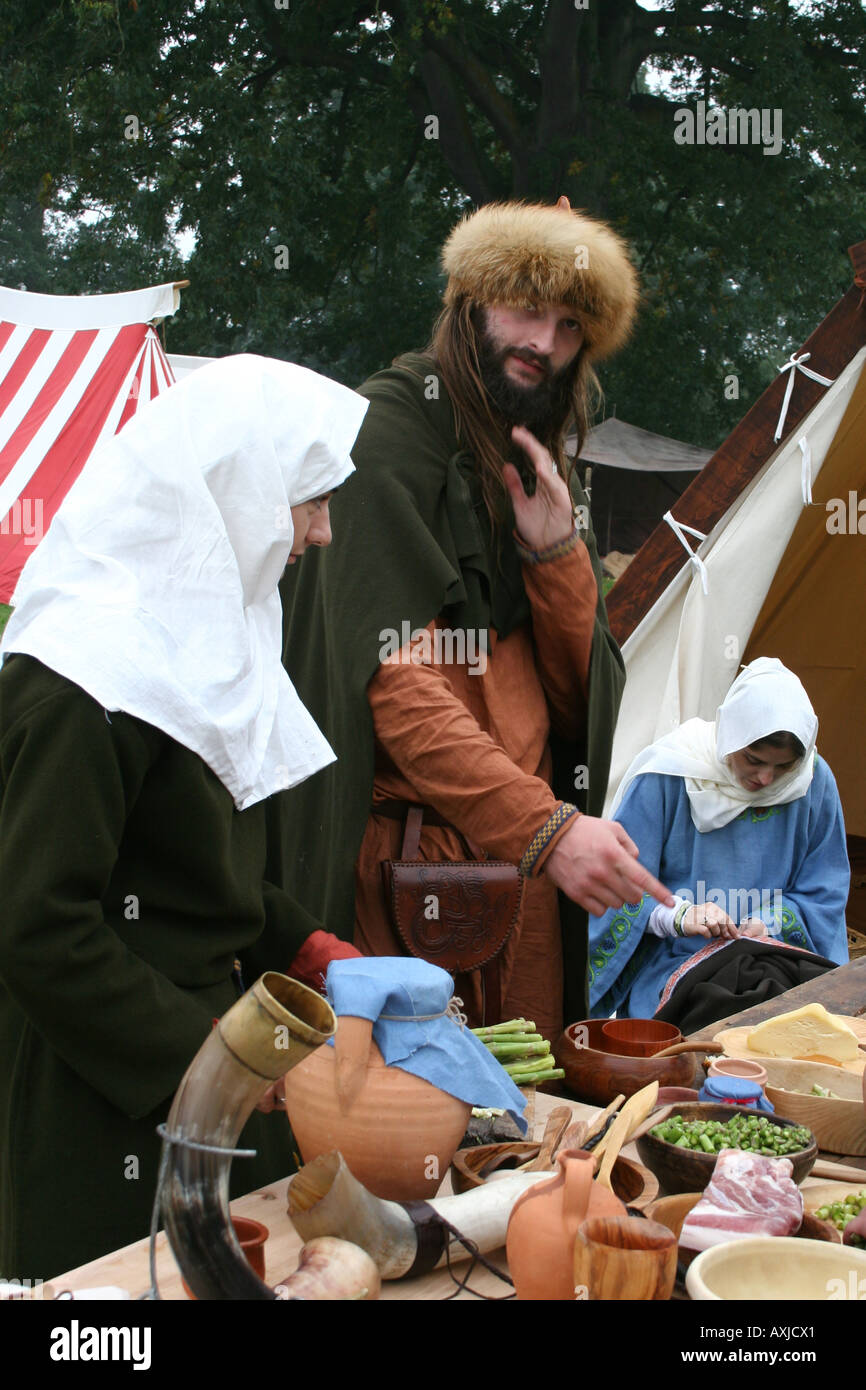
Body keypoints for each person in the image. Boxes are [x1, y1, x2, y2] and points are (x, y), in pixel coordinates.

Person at [0, 355, 367, 1279]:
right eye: (310, 501)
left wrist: (309, 944)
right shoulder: (82, 675)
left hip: (212, 1058)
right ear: (236, 493)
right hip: (101, 1083)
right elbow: (39, 927)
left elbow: (203, 872)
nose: (323, 534)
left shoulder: (208, 643)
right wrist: (215, 1064)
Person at [275, 199, 673, 1040]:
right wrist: (545, 829)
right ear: (469, 303)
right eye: (526, 307)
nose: (545, 341)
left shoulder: (527, 464)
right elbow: (390, 684)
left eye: (570, 324)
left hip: (522, 876)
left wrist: (558, 556)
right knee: (406, 1127)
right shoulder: (384, 435)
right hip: (405, 871)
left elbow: (573, 710)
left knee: (522, 1137)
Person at [588, 658, 850, 1025]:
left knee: (792, 1018)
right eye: (753, 759)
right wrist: (678, 915)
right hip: (676, 959)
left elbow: (825, 891)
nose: (765, 778)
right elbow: (615, 883)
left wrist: (769, 921)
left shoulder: (812, 782)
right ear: (730, 734)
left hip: (776, 955)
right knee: (715, 1014)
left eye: (783, 766)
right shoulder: (669, 774)